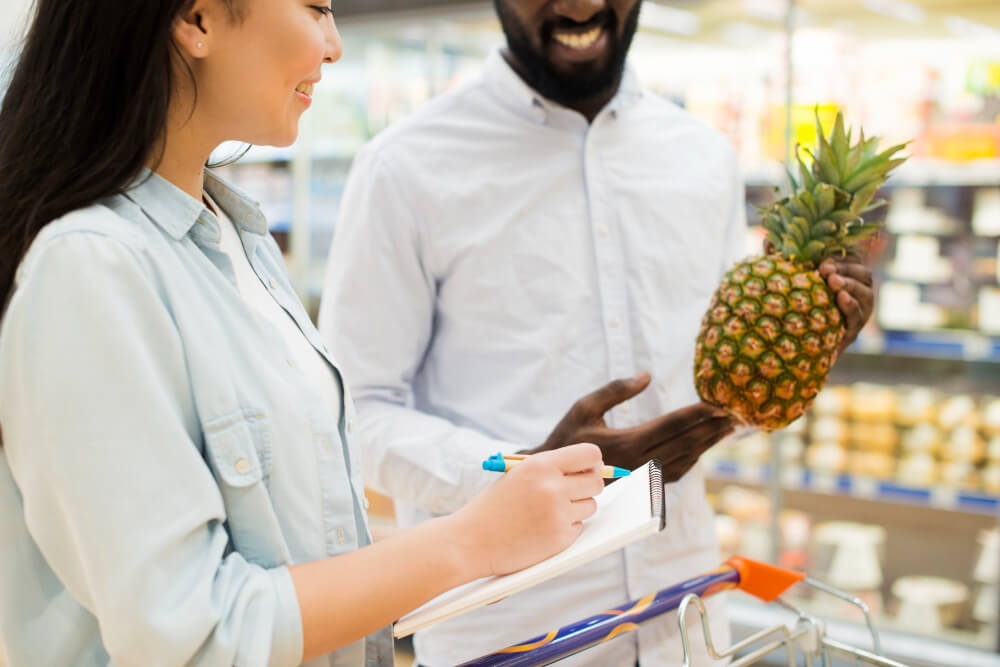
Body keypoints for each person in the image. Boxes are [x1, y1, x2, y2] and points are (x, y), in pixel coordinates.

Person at [0, 1, 609, 665]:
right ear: (197, 19)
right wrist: (473, 540)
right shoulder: (89, 268)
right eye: (315, 8)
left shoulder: (237, 238)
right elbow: (198, 633)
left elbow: (294, 552)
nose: (333, 44)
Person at [318, 0, 875, 664]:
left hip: (687, 622)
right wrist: (527, 468)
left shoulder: (704, 157)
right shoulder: (404, 167)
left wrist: (808, 344)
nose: (580, 4)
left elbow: (730, 393)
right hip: (513, 630)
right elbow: (355, 414)